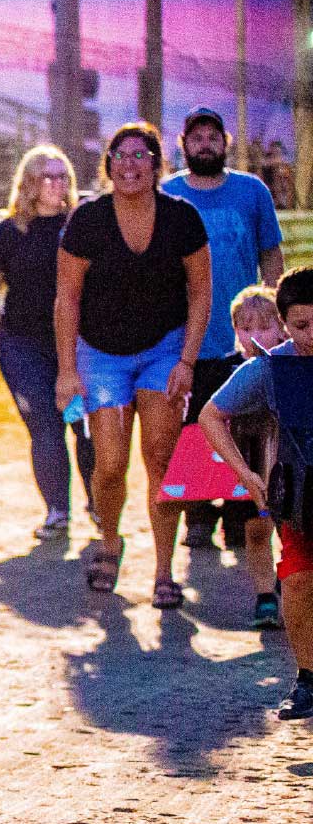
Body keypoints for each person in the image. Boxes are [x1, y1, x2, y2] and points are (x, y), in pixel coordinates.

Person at [54, 122, 211, 608]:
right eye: (120, 156)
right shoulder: (87, 220)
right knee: (110, 463)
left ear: (157, 164)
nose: (130, 164)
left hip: (164, 350)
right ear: (108, 166)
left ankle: (164, 572)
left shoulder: (182, 218)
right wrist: (66, 371)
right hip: (100, 355)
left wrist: (187, 359)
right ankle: (109, 542)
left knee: (160, 459)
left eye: (140, 155)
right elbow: (67, 297)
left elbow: (202, 291)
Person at [159, 106, 285, 551]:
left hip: (245, 337)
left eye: (213, 136)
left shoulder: (251, 192)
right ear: (184, 145)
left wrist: (276, 315)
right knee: (191, 427)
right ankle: (198, 515)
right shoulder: (168, 194)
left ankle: (239, 513)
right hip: (187, 337)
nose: (205, 143)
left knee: (245, 426)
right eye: (197, 138)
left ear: (225, 142)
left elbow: (270, 254)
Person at [199, 267, 313, 720]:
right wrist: (247, 474)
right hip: (301, 498)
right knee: (301, 581)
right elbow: (211, 415)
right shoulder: (270, 368)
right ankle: (308, 677)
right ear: (284, 323)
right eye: (302, 326)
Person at [0, 144, 94, 538]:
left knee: (82, 425)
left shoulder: (80, 225)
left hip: (76, 347)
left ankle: (98, 505)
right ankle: (57, 512)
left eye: (63, 176)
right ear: (29, 182)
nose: (57, 184)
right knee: (44, 423)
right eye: (48, 176)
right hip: (23, 345)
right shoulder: (9, 231)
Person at [188, 287, 287, 629]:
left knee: (290, 529)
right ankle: (265, 597)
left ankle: (286, 582)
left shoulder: (290, 365)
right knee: (256, 530)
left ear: (282, 328)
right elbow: (205, 420)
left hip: (286, 461)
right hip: (242, 463)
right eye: (246, 329)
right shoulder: (225, 369)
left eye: (264, 328)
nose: (255, 336)